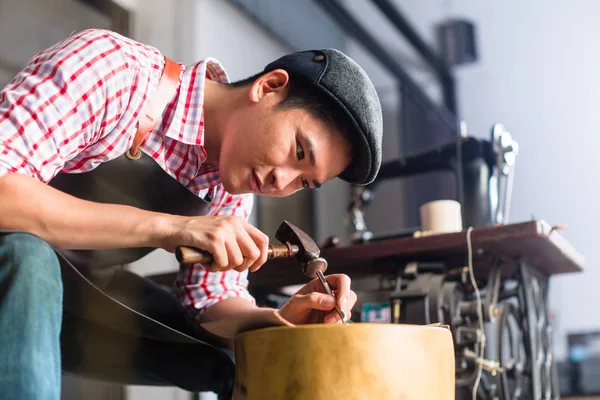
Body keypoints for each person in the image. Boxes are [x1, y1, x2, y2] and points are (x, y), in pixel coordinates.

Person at [0, 29, 382, 399]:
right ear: (268, 87)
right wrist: (170, 228)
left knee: (239, 358)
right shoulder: (116, 70)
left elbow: (209, 300)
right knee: (29, 256)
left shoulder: (228, 188)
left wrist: (278, 321)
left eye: (304, 183)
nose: (281, 183)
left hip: (77, 297)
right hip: (15, 270)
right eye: (298, 151)